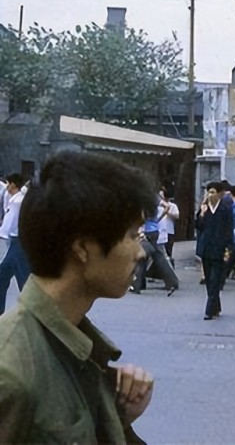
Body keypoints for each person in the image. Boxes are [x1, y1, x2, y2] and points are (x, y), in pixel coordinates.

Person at [0, 151, 155, 442]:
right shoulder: (10, 372)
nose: (141, 252)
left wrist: (116, 421)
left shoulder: (79, 352)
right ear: (83, 248)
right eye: (132, 235)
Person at [195, 181, 234, 320]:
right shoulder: (204, 208)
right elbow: (199, 227)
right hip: (206, 248)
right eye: (208, 192)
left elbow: (229, 230)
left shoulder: (225, 209)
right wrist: (202, 215)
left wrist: (228, 248)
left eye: (212, 192)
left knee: (215, 279)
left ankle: (209, 310)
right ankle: (215, 305)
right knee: (209, 280)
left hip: (219, 248)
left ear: (218, 194)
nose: (210, 195)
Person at [0, 173, 31, 315]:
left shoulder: (17, 201)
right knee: (3, 275)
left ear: (13, 184)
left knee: (23, 279)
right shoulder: (19, 199)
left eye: (8, 183)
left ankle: (33, 311)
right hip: (17, 242)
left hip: (18, 242)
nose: (6, 185)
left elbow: (9, 222)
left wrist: (1, 234)